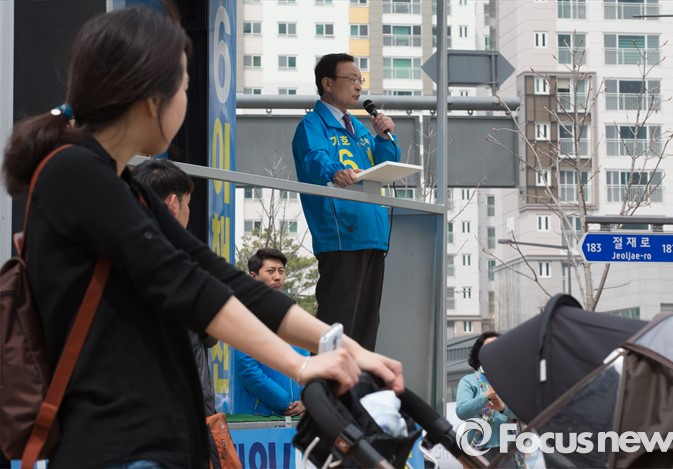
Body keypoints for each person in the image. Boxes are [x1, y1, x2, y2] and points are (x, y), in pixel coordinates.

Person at [1, 6, 403, 469]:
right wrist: (300, 364)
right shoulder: (74, 174)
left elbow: (223, 278)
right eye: (184, 88)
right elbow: (186, 283)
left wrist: (349, 348)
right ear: (151, 97)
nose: (186, 101)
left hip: (157, 442)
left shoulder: (128, 190)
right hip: (117, 449)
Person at [291, 53, 400, 351]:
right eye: (351, 79)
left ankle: (357, 381)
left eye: (360, 80)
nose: (358, 86)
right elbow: (314, 159)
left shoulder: (359, 128)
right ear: (327, 83)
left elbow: (383, 166)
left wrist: (384, 138)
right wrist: (334, 172)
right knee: (337, 324)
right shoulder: (313, 124)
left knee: (366, 327)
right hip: (341, 235)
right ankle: (323, 380)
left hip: (373, 233)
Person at [131, 158, 218, 417]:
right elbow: (212, 333)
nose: (188, 211)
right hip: (185, 406)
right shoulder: (186, 265)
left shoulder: (114, 256)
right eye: (187, 204)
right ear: (173, 205)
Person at [233, 248, 309, 417]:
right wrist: (285, 402)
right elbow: (246, 369)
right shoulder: (243, 315)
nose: (277, 277)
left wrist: (306, 399)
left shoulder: (291, 314)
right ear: (253, 276)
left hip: (296, 416)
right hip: (258, 417)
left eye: (281, 271)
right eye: (271, 271)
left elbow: (305, 361)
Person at [456, 332, 520, 463]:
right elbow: (461, 412)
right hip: (480, 451)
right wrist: (486, 396)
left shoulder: (512, 381)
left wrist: (503, 408)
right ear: (479, 355)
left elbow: (524, 413)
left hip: (510, 449)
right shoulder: (469, 381)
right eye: (489, 347)